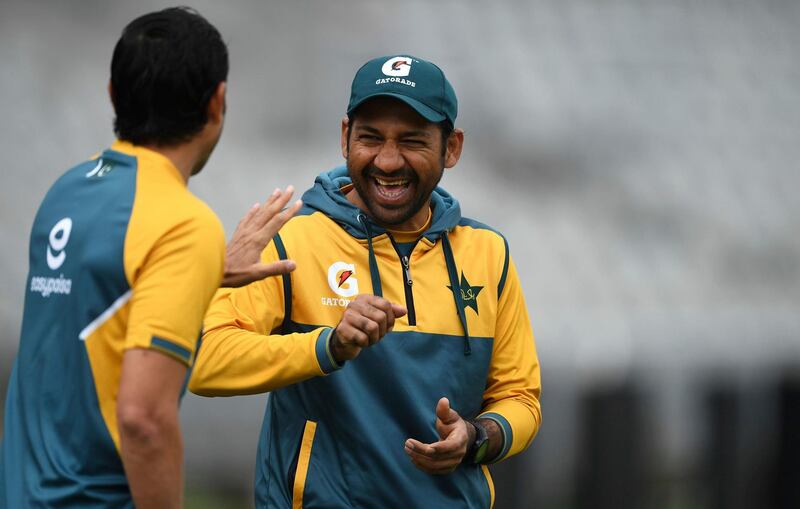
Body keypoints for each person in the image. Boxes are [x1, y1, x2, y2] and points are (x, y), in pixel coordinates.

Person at [190, 54, 542, 508]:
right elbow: (204, 361)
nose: (388, 160)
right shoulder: (292, 239)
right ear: (345, 137)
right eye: (371, 138)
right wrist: (328, 346)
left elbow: (520, 397)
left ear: (451, 148)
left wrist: (476, 437)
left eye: (412, 141)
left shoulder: (488, 253)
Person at [0, 7, 299, 508]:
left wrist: (204, 274)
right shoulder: (183, 223)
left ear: (114, 94)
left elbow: (98, 311)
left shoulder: (67, 190)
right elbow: (144, 419)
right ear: (217, 103)